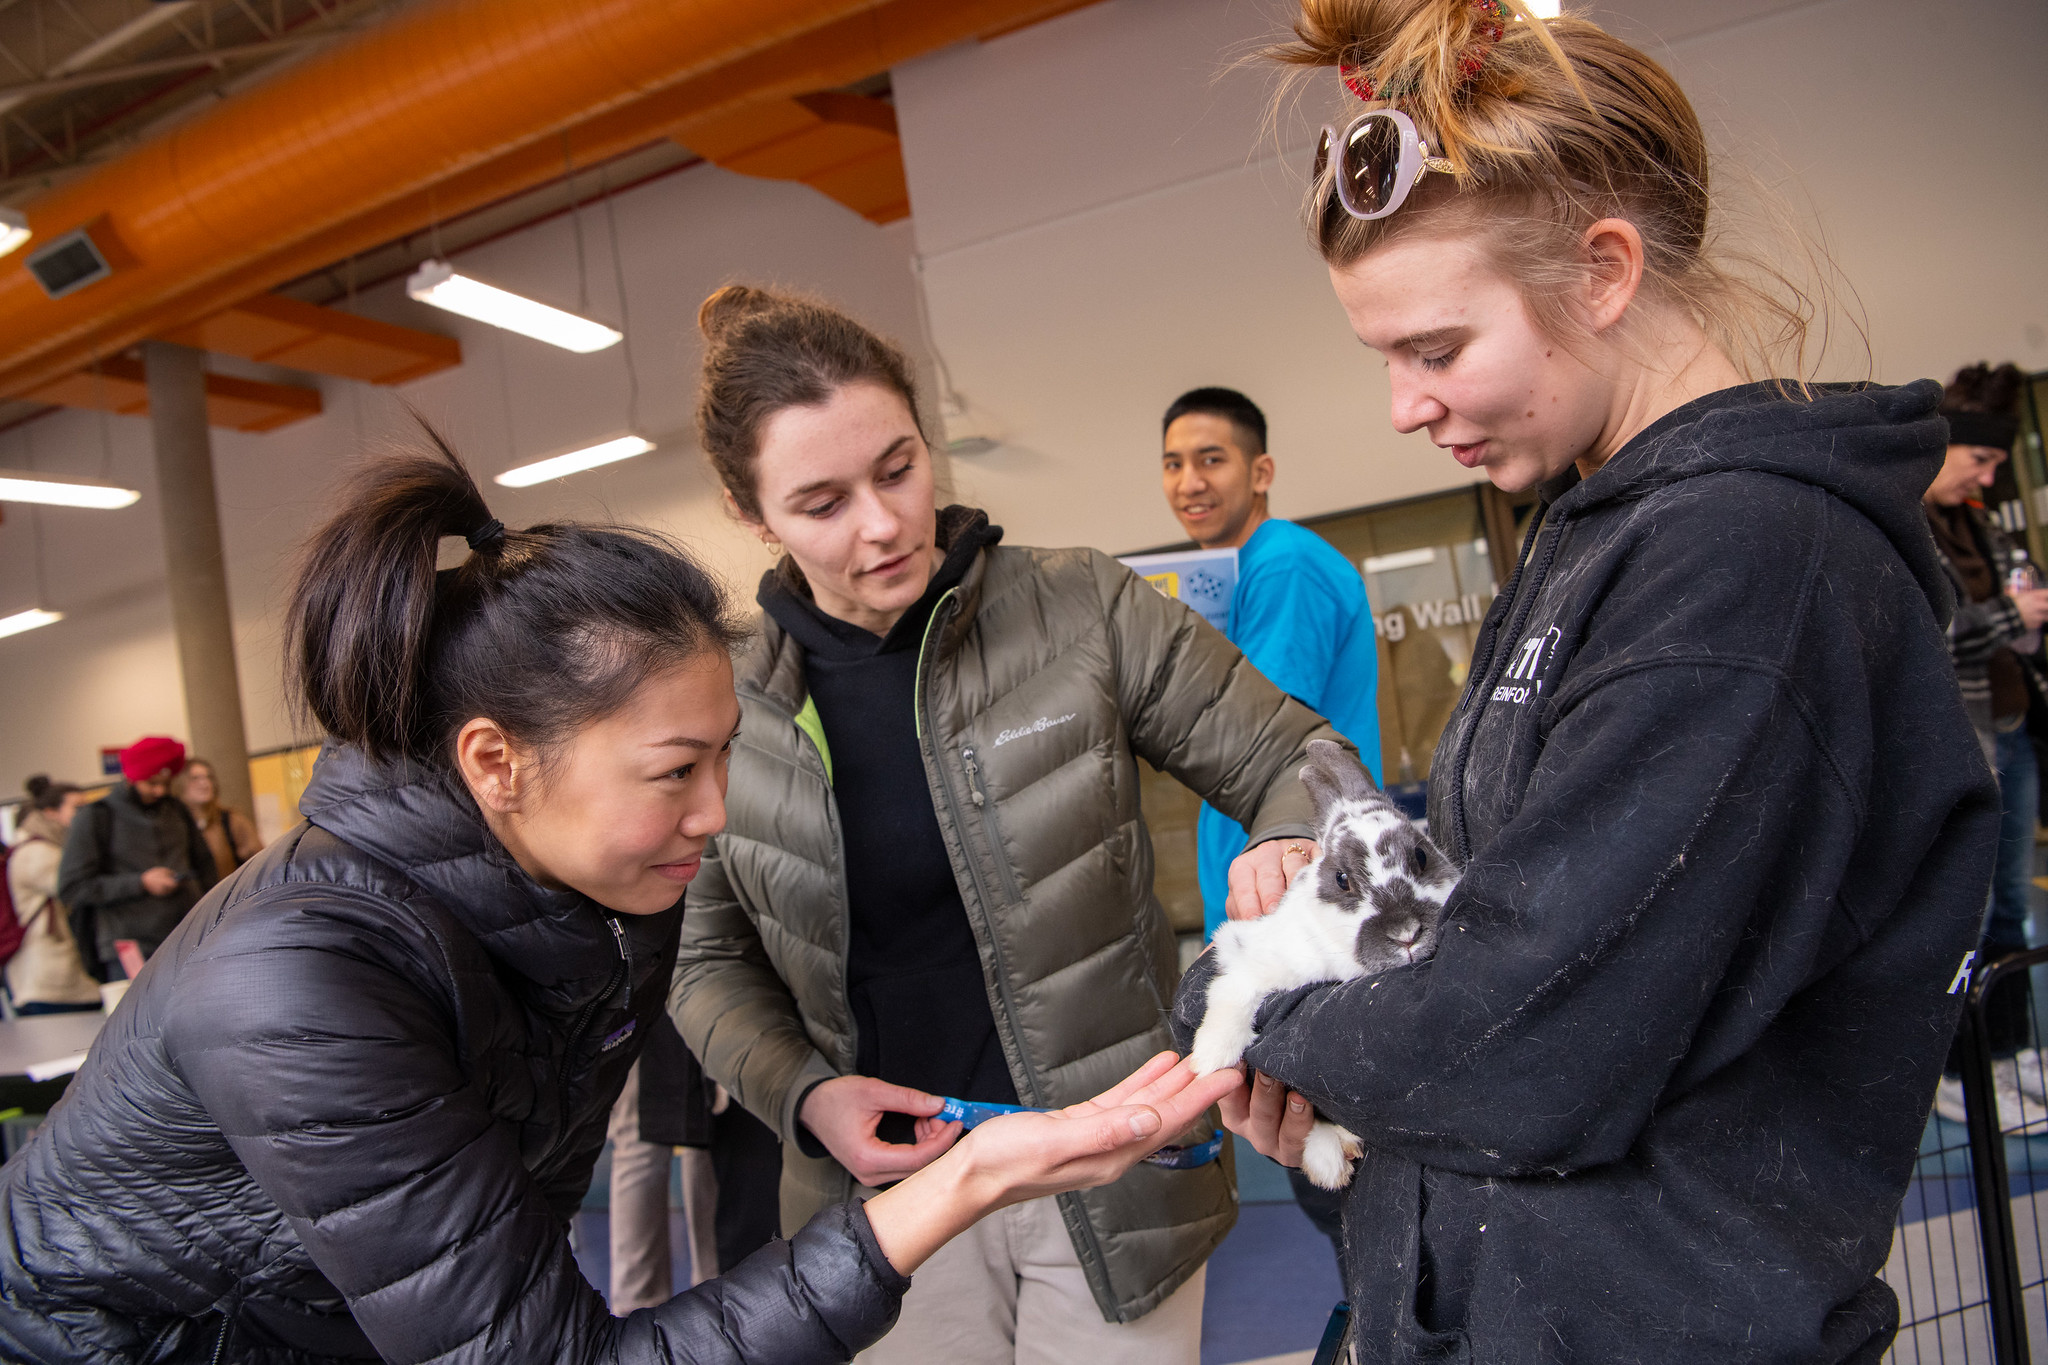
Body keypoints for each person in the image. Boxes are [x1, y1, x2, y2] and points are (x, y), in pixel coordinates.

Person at [0, 434, 1241, 1364]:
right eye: (673, 772)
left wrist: (819, 1097)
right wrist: (957, 1189)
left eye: (723, 761)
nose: (714, 811)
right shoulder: (298, 988)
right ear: (495, 762)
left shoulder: (599, 889)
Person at [1173, 1, 1997, 1359]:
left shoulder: (1745, 565)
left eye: (1435, 351)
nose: (1404, 406)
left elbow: (1534, 1034)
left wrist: (1267, 1013)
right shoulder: (1599, 527)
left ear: (1605, 271)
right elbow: (1499, 896)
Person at [674, 285, 1345, 1364]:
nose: (882, 524)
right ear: (751, 515)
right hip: (886, 1202)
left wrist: (1282, 839)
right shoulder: (721, 708)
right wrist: (806, 1096)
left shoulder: (1080, 607)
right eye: (821, 503)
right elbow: (699, 957)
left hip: (1114, 1164)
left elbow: (1297, 758)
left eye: (897, 468)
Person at [1159, 384, 1382, 1269]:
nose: (1189, 481)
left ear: (1261, 471)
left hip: (1302, 901)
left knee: (1337, 1174)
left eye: (1210, 459)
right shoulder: (1246, 573)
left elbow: (1259, 727)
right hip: (1275, 899)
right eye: (1173, 463)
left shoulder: (1281, 565)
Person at [1923, 361, 2046, 1120]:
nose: (1990, 476)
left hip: (2012, 730)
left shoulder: (1983, 524)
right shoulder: (1907, 526)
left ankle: (2015, 1049)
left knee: (2011, 905)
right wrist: (2010, 612)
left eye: (2000, 464)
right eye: (1981, 459)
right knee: (1963, 913)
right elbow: (1937, 638)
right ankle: (1963, 1067)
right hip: (1959, 744)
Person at [57, 734, 216, 978]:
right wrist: (140, 882)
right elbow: (73, 887)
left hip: (189, 937)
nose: (159, 790)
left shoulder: (176, 810)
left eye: (165, 783)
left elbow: (205, 867)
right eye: (151, 783)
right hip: (130, 947)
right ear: (131, 778)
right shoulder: (96, 817)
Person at [4, 776, 101, 1014]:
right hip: (50, 980)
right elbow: (80, 888)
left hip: (53, 978)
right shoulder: (38, 853)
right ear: (50, 813)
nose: (85, 814)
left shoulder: (48, 848)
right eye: (77, 808)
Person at [179, 756, 265, 878]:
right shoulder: (176, 825)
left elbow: (260, 863)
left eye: (208, 777)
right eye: (195, 778)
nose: (204, 784)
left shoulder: (231, 821)